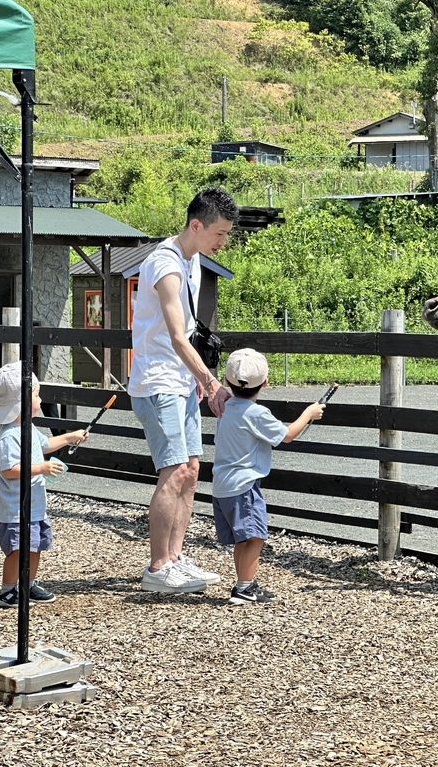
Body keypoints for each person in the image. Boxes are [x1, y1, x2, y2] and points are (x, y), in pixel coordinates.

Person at [129, 187, 239, 594]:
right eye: (220, 233)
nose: (223, 242)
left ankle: (175, 558)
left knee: (191, 471)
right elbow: (177, 336)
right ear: (197, 225)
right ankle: (158, 567)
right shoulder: (165, 263)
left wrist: (195, 378)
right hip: (158, 381)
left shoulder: (191, 260)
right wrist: (210, 380)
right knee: (174, 472)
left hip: (180, 382)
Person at [212, 349, 325, 604]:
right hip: (244, 486)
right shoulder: (256, 413)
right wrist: (309, 414)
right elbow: (287, 435)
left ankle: (245, 583)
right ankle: (243, 589)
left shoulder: (226, 407)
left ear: (228, 382)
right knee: (256, 536)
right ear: (264, 383)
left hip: (222, 485)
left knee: (243, 537)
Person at [0, 362, 88, 608]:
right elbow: (9, 470)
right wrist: (41, 468)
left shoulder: (28, 428)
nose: (40, 399)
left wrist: (68, 437)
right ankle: (7, 590)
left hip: (34, 507)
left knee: (35, 547)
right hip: (15, 511)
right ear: (21, 402)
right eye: (36, 394)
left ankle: (28, 584)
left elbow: (44, 445)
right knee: (17, 551)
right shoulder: (10, 436)